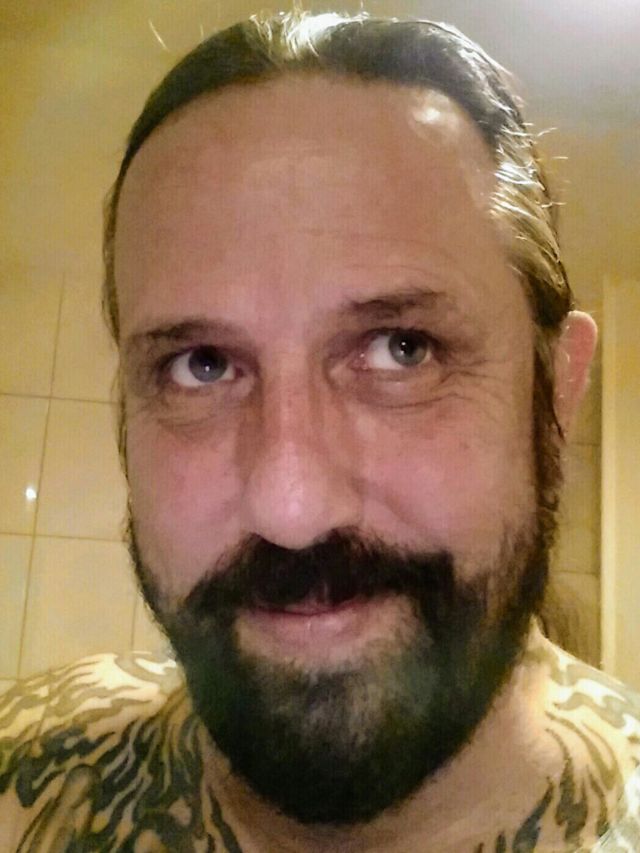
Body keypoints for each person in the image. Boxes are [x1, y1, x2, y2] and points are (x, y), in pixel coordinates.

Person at [0, 10, 637, 852]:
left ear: (557, 390)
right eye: (202, 365)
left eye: (402, 349)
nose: (291, 507)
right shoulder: (24, 776)